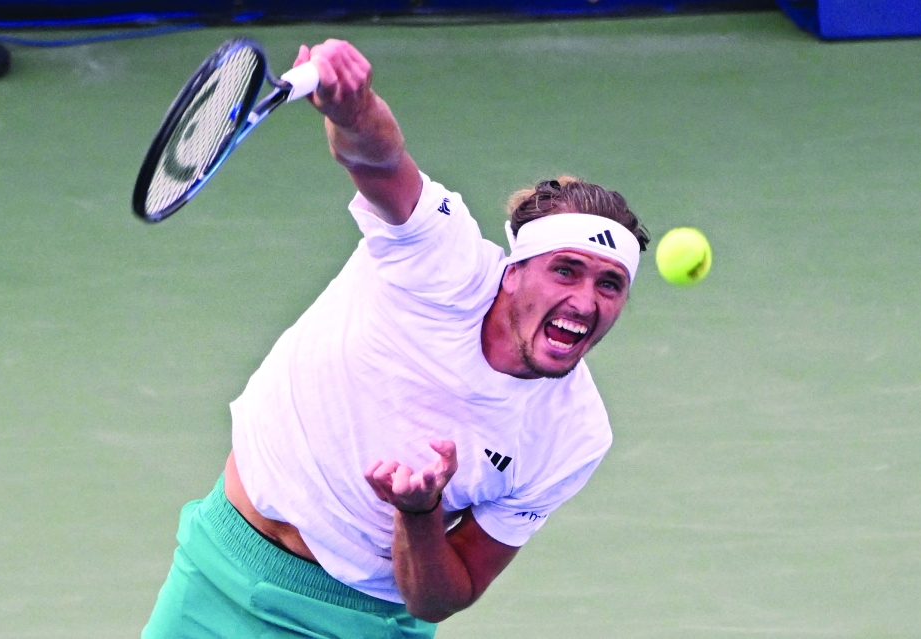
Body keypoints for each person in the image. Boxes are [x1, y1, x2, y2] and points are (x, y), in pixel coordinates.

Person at [143, 38, 650, 639]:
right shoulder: (443, 258)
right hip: (217, 567)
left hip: (361, 626)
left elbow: (443, 597)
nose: (586, 302)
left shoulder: (572, 434)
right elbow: (379, 160)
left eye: (610, 285)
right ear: (513, 273)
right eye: (565, 270)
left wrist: (420, 513)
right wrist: (350, 109)